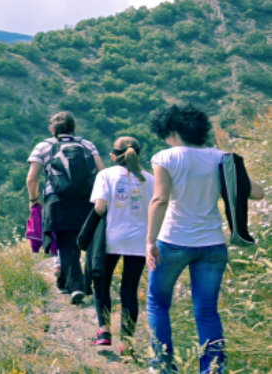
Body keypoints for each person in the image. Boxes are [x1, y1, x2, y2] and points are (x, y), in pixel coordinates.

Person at [146, 104, 264, 373]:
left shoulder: (165, 157)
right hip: (212, 244)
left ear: (173, 130)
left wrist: (150, 240)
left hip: (173, 240)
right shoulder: (223, 158)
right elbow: (257, 193)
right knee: (207, 310)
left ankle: (163, 365)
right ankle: (213, 369)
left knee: (157, 302)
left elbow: (160, 198)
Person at [26, 111, 105, 304]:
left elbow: (32, 178)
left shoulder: (44, 146)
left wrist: (34, 199)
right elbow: (102, 172)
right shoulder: (87, 145)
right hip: (87, 200)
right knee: (89, 243)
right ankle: (89, 284)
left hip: (58, 200)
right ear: (73, 127)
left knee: (68, 245)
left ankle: (76, 287)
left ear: (52, 128)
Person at [89, 136, 154, 355]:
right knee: (129, 290)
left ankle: (104, 332)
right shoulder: (150, 180)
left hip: (110, 239)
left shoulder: (105, 175)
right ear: (139, 154)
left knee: (102, 284)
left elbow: (100, 207)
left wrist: (86, 231)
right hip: (139, 240)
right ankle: (126, 343)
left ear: (113, 156)